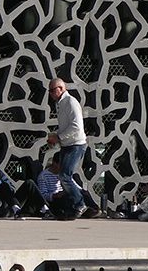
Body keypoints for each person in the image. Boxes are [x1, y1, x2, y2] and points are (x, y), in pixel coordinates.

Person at [47, 77, 87, 218]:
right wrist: (57, 136)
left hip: (76, 144)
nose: (51, 94)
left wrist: (58, 137)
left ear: (62, 88)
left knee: (65, 176)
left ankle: (80, 203)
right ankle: (74, 205)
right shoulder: (61, 104)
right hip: (67, 144)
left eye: (53, 90)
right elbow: (66, 126)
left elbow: (76, 126)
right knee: (64, 176)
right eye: (50, 91)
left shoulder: (70, 102)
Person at [37, 151, 101, 219]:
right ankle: (78, 211)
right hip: (56, 199)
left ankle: (94, 209)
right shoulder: (43, 176)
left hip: (67, 194)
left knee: (83, 192)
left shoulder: (64, 174)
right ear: (54, 163)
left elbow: (75, 186)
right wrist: (55, 195)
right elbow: (42, 195)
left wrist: (77, 191)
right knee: (67, 197)